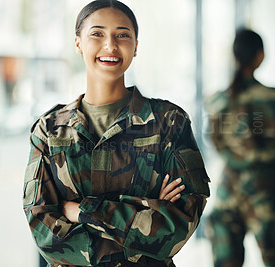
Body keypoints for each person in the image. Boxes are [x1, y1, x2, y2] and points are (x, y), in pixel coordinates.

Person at [22, 1, 210, 266]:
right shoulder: (49, 130)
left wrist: (80, 211)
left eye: (122, 35)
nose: (110, 45)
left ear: (135, 46)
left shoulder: (169, 123)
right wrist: (147, 210)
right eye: (97, 34)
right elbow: (46, 236)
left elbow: (176, 229)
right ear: (78, 43)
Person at [204, 29, 275, 267]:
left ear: (234, 57)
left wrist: (236, 157)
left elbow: (216, 142)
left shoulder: (216, 101)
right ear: (260, 57)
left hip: (229, 189)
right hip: (268, 188)